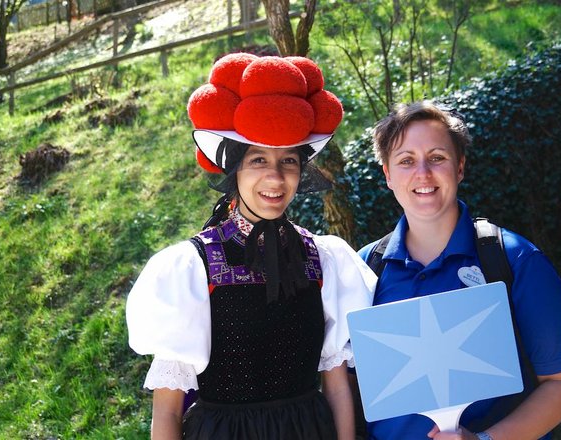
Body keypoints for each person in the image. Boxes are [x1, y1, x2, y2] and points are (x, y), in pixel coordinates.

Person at [126, 53, 377, 440]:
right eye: (259, 159)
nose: (275, 177)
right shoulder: (192, 268)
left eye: (289, 161)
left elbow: (338, 385)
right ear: (235, 170)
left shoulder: (326, 260)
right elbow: (167, 411)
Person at [356, 101, 561, 440]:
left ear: (460, 167)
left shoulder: (514, 259)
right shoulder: (365, 269)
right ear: (388, 175)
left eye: (437, 157)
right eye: (406, 161)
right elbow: (346, 386)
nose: (423, 172)